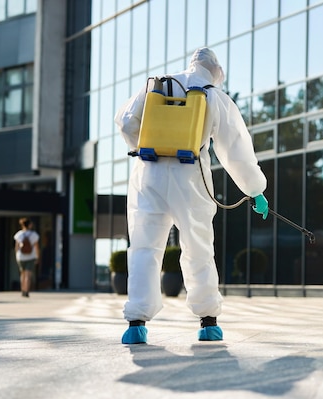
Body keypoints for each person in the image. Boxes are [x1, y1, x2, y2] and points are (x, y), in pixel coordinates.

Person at [114, 47, 269, 344]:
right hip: (191, 178)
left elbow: (125, 122)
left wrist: (147, 147)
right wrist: (255, 190)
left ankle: (136, 323)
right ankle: (208, 321)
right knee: (197, 247)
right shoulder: (212, 94)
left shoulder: (156, 85)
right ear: (216, 72)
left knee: (144, 248)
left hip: (149, 175)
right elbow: (236, 149)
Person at [14, 218, 40, 297]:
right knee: (28, 275)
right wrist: (38, 257)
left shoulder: (19, 234)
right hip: (30, 257)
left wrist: (17, 256)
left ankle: (22, 290)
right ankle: (27, 291)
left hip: (21, 257)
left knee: (22, 274)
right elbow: (36, 247)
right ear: (29, 225)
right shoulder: (34, 235)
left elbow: (16, 247)